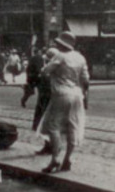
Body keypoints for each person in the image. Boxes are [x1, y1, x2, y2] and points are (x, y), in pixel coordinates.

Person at [37, 32, 89, 173]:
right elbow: (86, 79)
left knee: (53, 127)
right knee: (73, 126)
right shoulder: (80, 57)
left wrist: (47, 71)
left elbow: (45, 71)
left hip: (61, 94)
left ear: (61, 44)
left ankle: (55, 159)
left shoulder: (60, 56)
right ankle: (68, 159)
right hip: (77, 95)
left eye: (58, 43)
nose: (57, 45)